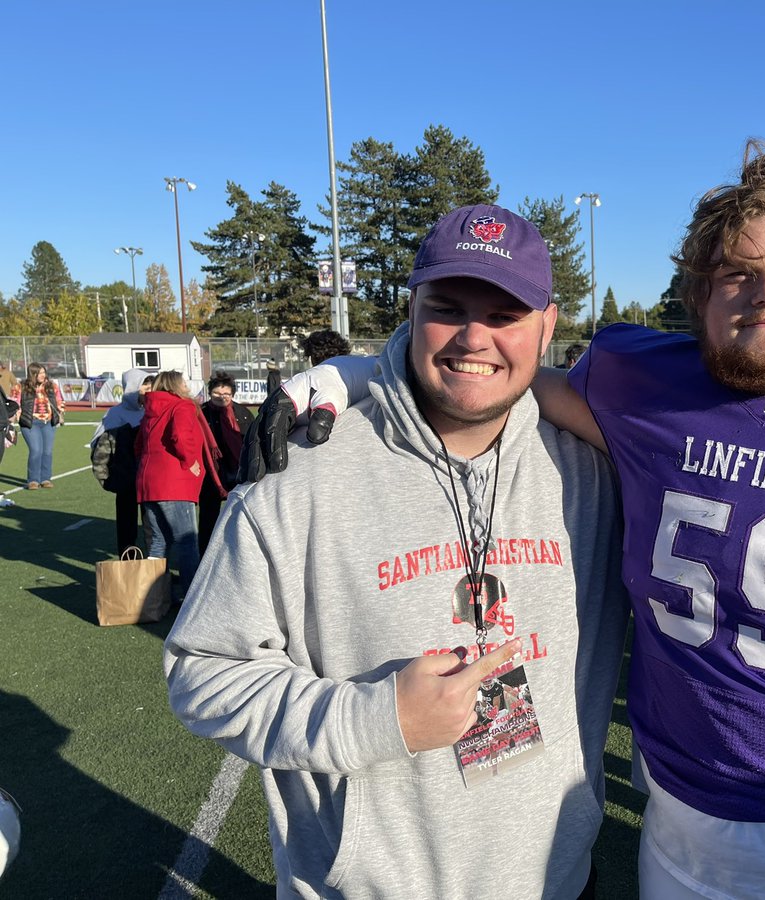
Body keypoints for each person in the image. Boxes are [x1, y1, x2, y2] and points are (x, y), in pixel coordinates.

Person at [261, 143, 765, 898]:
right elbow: (492, 375)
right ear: (699, 295)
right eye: (738, 272)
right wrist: (358, 367)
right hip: (679, 835)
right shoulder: (642, 391)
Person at [165, 204, 628, 898]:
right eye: (448, 307)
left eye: (505, 314)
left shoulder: (596, 472)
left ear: (549, 326)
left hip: (557, 881)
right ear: (411, 309)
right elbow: (201, 672)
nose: (475, 337)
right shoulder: (302, 474)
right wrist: (376, 719)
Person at [137, 371, 222, 599]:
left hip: (148, 482)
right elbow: (180, 437)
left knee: (157, 542)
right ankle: (192, 597)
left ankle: (153, 596)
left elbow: (139, 444)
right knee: (186, 541)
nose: (187, 385)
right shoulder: (181, 406)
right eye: (184, 382)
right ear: (176, 385)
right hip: (174, 483)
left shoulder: (150, 408)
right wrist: (190, 461)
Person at [91, 369, 153, 556]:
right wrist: (108, 479)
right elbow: (98, 446)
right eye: (144, 387)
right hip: (125, 480)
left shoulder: (152, 411)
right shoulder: (115, 414)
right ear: (132, 388)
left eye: (151, 387)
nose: (148, 392)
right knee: (126, 526)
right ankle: (128, 566)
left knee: (152, 526)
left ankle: (157, 568)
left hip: (149, 478)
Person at [198, 372, 253, 555]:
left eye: (226, 394)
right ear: (210, 393)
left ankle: (237, 553)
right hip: (210, 473)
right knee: (208, 518)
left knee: (240, 516)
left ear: (233, 394)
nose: (221, 398)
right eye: (217, 394)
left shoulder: (243, 413)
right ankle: (205, 555)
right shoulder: (201, 413)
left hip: (238, 471)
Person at [9, 362, 65, 490]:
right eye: (40, 373)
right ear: (33, 374)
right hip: (30, 422)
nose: (43, 375)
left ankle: (45, 479)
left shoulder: (52, 386)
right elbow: (14, 403)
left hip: (48, 422)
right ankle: (33, 480)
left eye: (44, 372)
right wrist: (15, 416)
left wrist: (61, 412)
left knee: (47, 452)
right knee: (36, 450)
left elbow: (59, 400)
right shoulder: (21, 386)